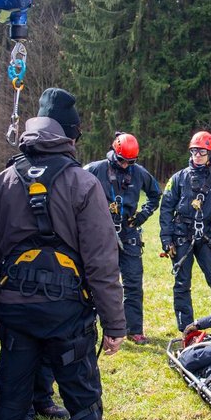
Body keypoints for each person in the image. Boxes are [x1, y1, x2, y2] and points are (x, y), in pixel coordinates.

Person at [0, 87, 141, 420]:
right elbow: (103, 262)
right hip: (68, 320)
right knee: (85, 411)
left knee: (8, 411)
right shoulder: (84, 184)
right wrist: (116, 325)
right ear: (70, 134)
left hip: (15, 316)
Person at [85, 132, 161, 344]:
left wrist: (142, 216)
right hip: (101, 234)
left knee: (133, 283)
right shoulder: (95, 169)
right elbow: (74, 190)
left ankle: (134, 329)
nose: (126, 165)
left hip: (128, 234)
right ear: (114, 154)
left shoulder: (139, 173)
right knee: (97, 282)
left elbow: (156, 194)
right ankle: (92, 327)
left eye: (131, 162)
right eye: (122, 161)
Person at [159, 131, 211, 332]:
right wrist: (166, 239)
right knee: (182, 284)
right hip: (181, 235)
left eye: (202, 151)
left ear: (210, 154)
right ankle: (187, 329)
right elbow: (166, 209)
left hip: (207, 237)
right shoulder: (177, 179)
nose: (197, 155)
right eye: (194, 151)